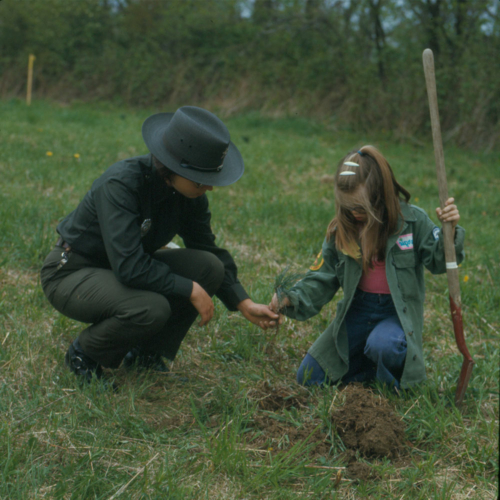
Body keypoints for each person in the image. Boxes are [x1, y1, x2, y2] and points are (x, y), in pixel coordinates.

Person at [41, 105, 279, 385]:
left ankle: (145, 353)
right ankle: (86, 353)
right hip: (73, 272)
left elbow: (207, 248)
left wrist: (243, 301)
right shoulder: (121, 184)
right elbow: (129, 266)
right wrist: (188, 288)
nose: (210, 187)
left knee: (209, 267)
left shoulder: (189, 196)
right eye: (203, 179)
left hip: (123, 270)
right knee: (151, 307)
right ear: (176, 166)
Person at [270, 145, 464, 391]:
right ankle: (365, 373)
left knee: (383, 345)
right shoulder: (342, 231)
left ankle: (389, 383)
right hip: (357, 312)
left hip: (395, 314)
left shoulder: (413, 222)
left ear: (380, 196)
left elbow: (439, 262)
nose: (354, 214)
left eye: (361, 208)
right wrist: (291, 298)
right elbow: (322, 277)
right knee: (308, 377)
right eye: (347, 207)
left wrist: (451, 230)